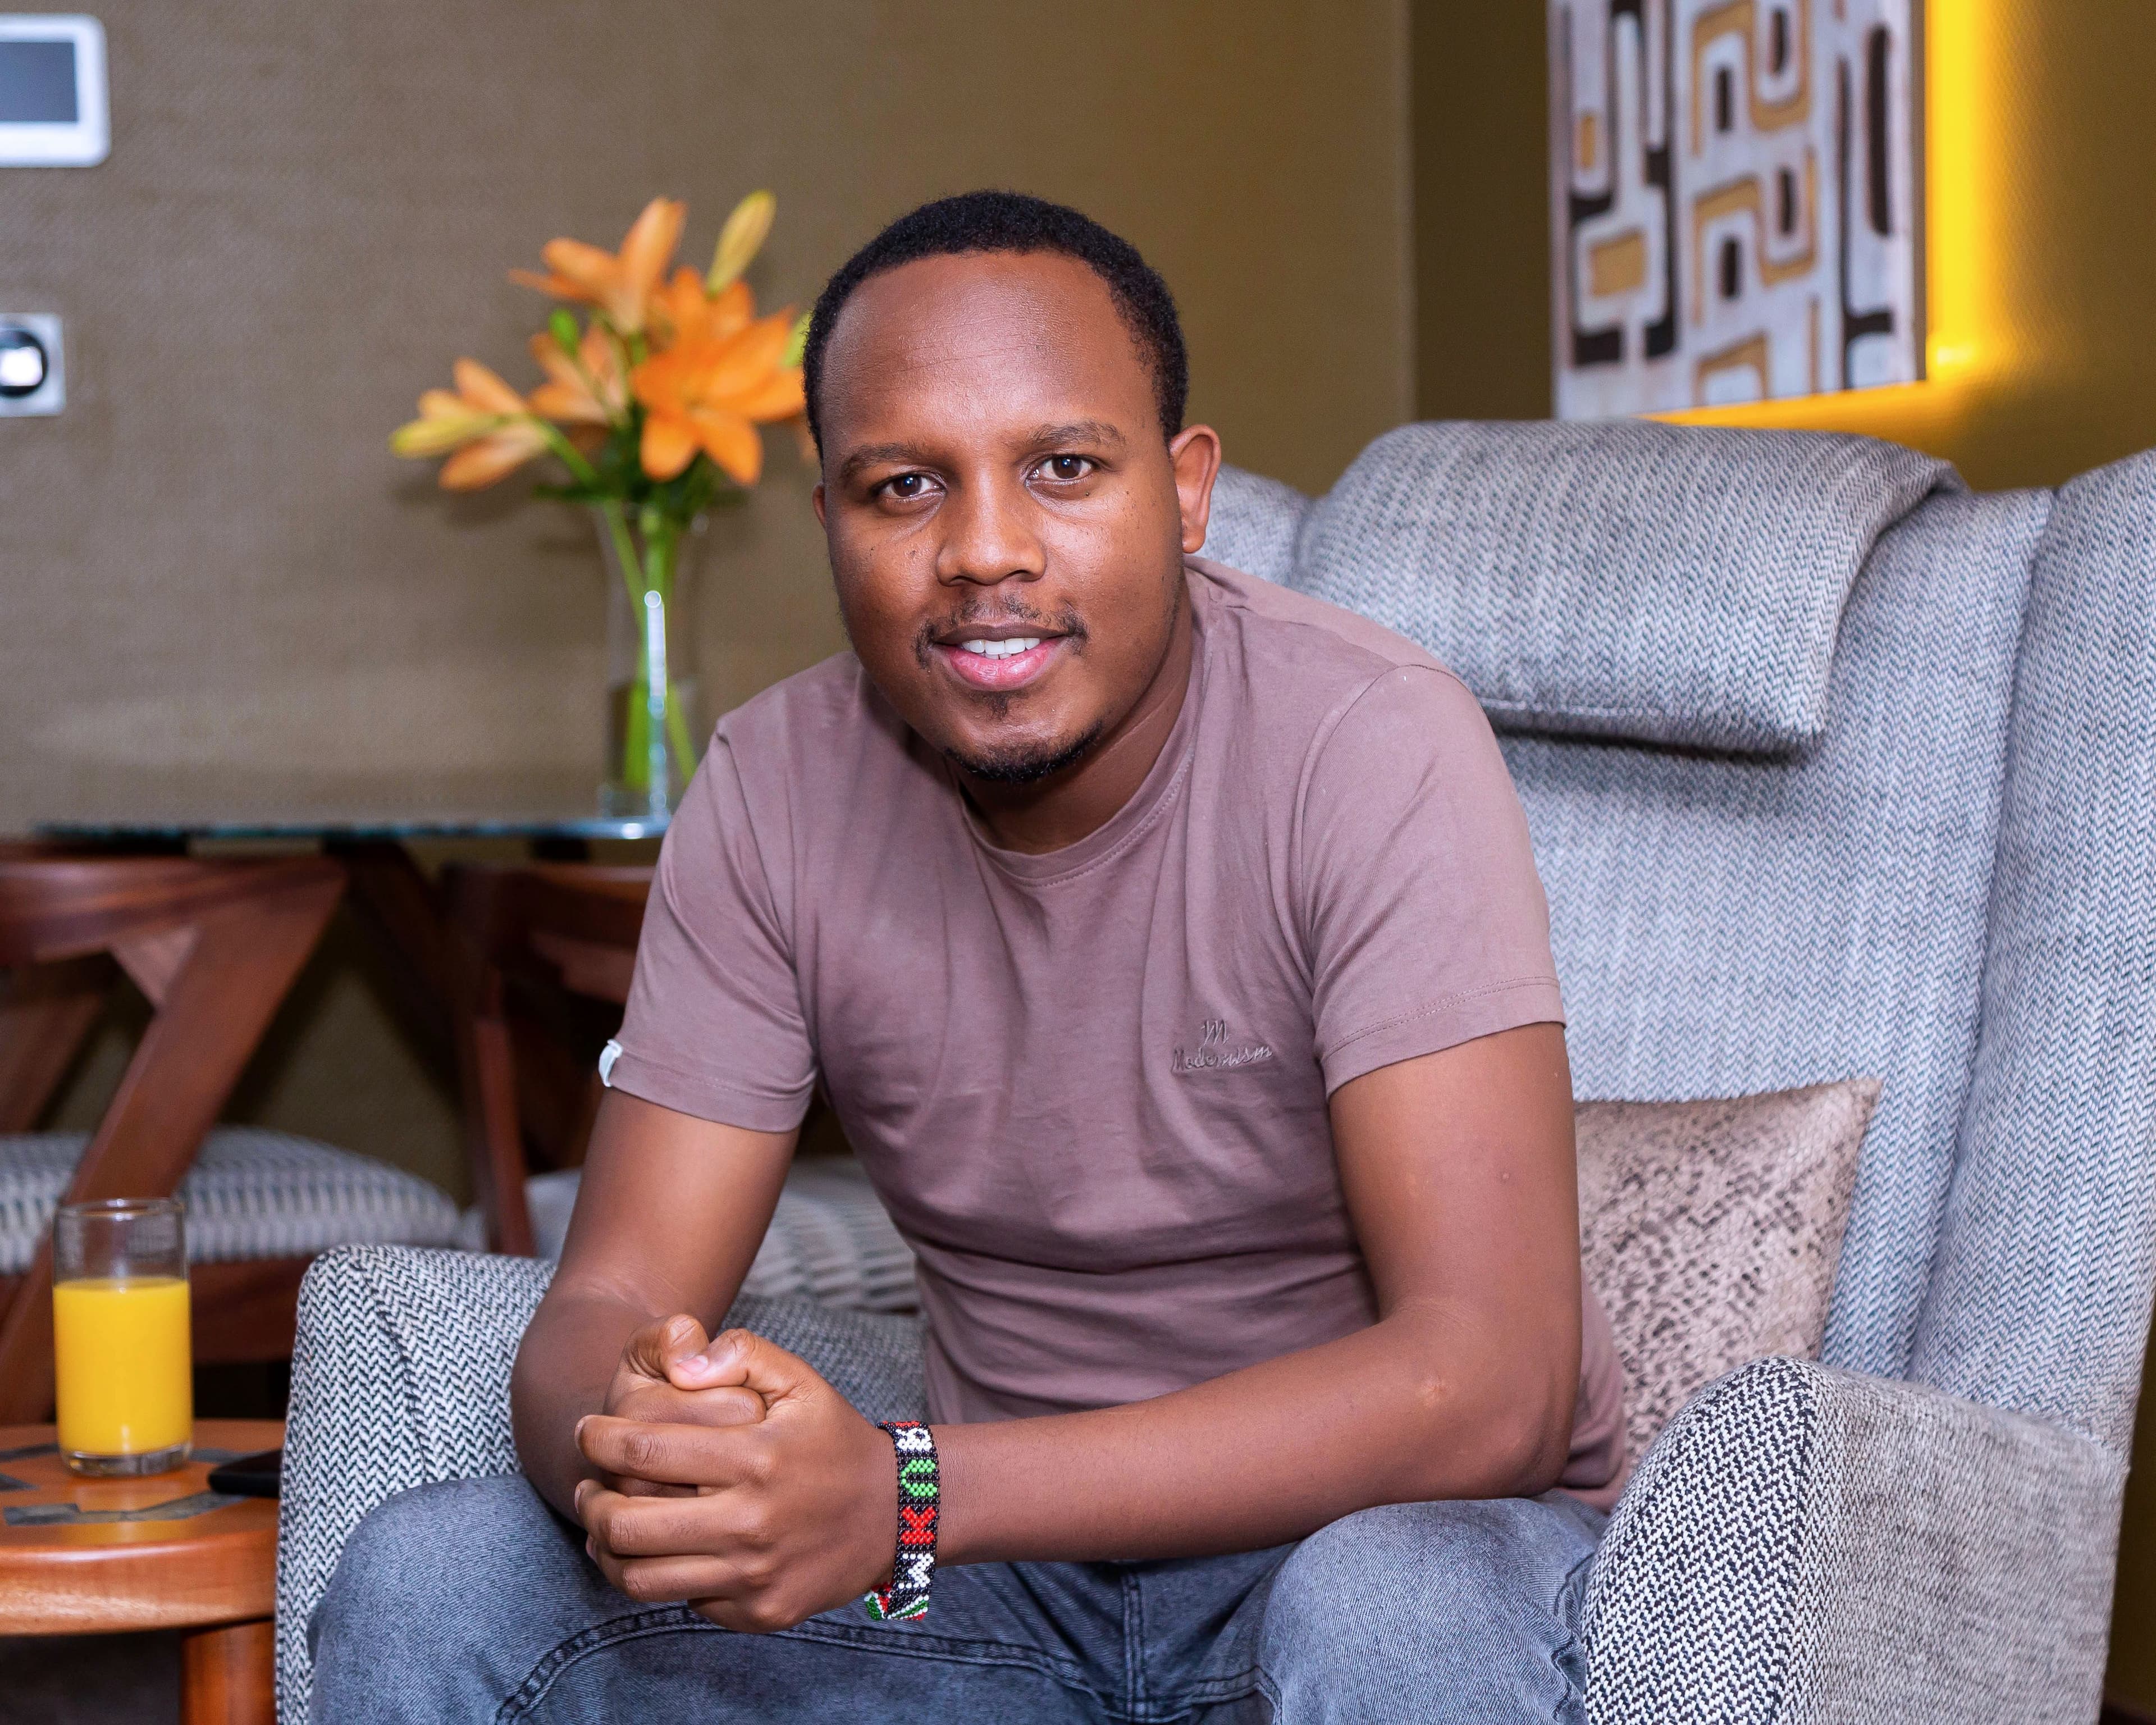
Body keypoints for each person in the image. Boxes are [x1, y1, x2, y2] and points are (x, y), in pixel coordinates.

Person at [313, 190, 1626, 1724]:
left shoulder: (1370, 743)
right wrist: (677, 1452)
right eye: (902, 488)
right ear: (827, 523)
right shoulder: (775, 786)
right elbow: (603, 1304)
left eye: (1064, 469)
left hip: (1379, 1558)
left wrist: (911, 1492)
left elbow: (1493, 1382)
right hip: (998, 1602)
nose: (985, 552)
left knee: (1388, 1612)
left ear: (1187, 492)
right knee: (437, 1576)